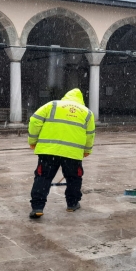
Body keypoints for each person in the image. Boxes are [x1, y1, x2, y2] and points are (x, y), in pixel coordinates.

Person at [27, 88, 95, 219]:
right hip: (72, 153)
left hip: (48, 151)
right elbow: (90, 135)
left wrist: (33, 140)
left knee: (43, 178)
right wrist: (87, 150)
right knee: (74, 178)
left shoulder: (52, 105)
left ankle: (37, 207)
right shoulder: (87, 113)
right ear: (81, 100)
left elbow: (34, 121)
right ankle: (72, 203)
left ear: (66, 96)